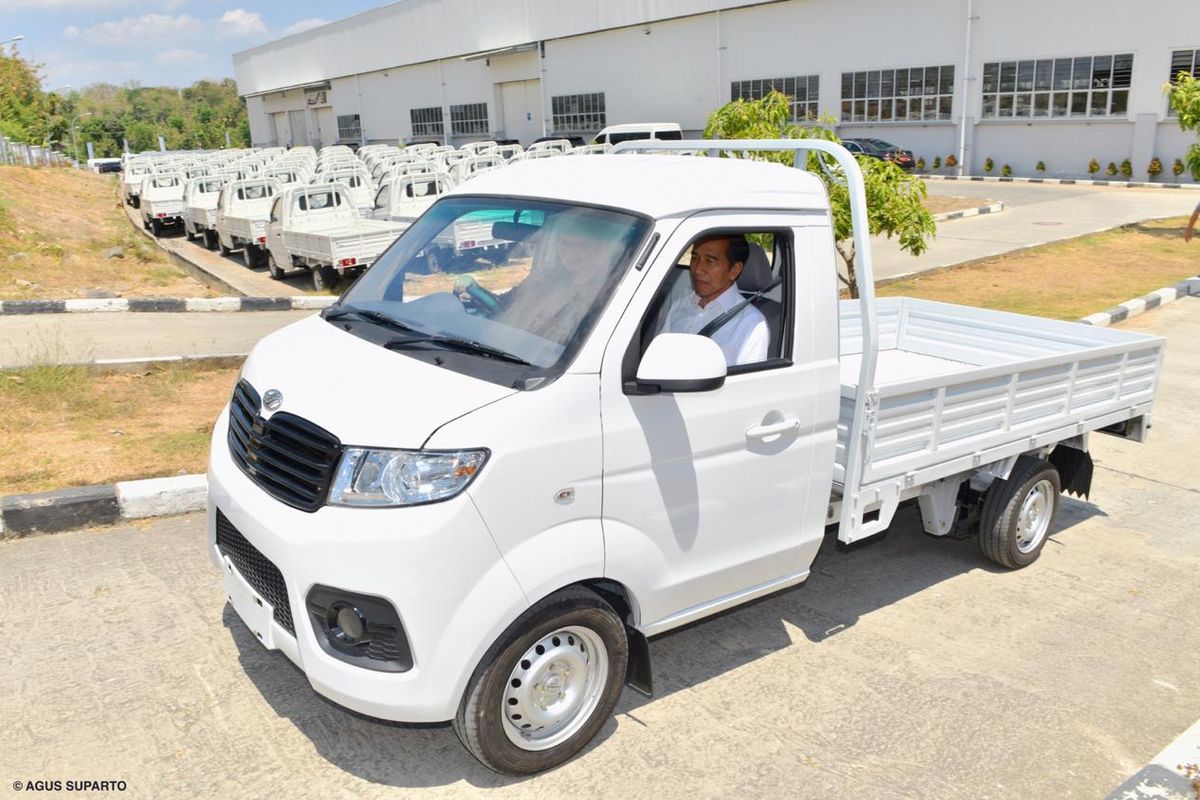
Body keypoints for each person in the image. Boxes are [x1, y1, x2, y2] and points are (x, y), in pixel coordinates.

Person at [657, 234, 769, 366]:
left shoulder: (751, 324)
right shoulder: (679, 306)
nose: (698, 269)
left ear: (734, 270)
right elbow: (658, 358)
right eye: (695, 258)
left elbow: (747, 384)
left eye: (710, 261)